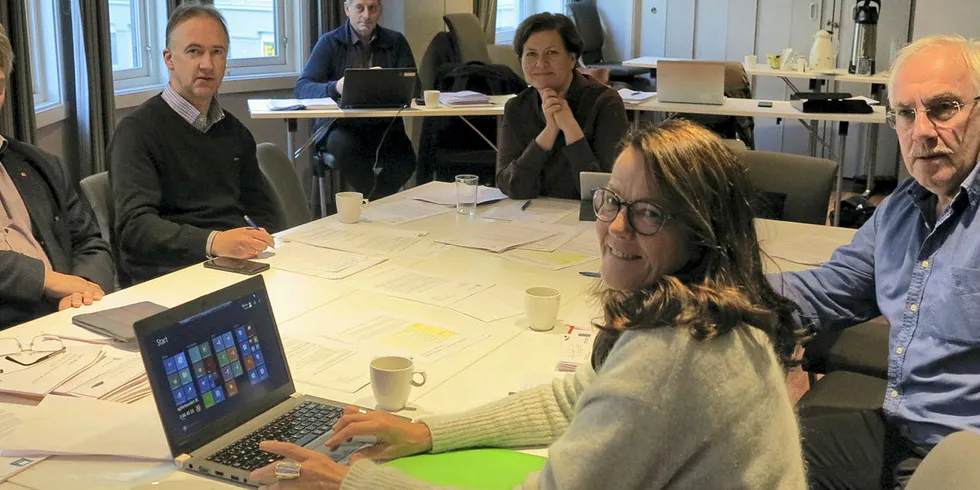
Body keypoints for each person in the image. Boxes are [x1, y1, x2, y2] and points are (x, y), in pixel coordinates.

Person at [247, 120, 808, 489]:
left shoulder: (673, 352)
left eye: (649, 213)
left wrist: (348, 483)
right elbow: (578, 395)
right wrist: (427, 432)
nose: (614, 225)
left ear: (702, 232)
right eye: (612, 200)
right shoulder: (716, 316)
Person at [768, 35, 980, 489]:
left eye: (944, 108)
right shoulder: (904, 206)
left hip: (965, 459)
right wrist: (713, 290)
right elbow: (833, 287)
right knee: (749, 456)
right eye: (905, 113)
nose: (921, 131)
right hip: (901, 430)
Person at [108, 3, 278, 286]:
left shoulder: (235, 132)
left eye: (217, 52)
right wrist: (215, 242)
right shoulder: (136, 132)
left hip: (238, 265)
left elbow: (264, 210)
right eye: (194, 51)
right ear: (169, 59)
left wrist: (261, 240)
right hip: (171, 275)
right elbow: (135, 228)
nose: (207, 64)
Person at [0, 23, 112, 330]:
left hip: (67, 322)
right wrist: (49, 281)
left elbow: (91, 242)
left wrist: (80, 292)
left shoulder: (41, 164)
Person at [495, 13, 629, 200]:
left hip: (586, 221)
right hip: (531, 219)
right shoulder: (517, 107)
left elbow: (604, 192)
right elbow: (512, 187)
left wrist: (570, 128)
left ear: (572, 59)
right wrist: (549, 132)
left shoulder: (605, 102)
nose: (541, 63)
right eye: (531, 54)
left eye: (552, 52)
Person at [295, 0, 417, 200]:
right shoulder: (330, 42)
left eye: (372, 8)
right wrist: (336, 87)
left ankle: (373, 203)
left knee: (406, 159)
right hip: (340, 128)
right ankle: (379, 207)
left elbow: (414, 86)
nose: (366, 15)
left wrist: (388, 83)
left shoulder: (396, 42)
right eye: (360, 8)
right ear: (347, 10)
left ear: (380, 11)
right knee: (347, 150)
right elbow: (302, 88)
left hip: (384, 127)